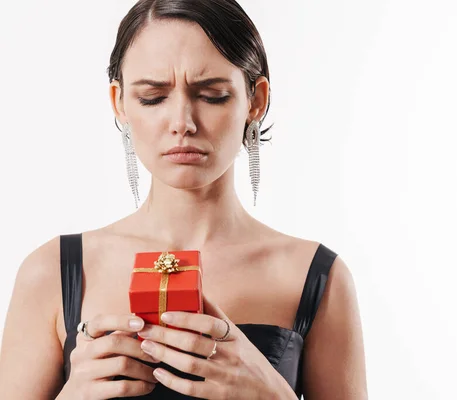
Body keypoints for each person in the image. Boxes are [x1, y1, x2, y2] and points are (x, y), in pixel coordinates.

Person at [0, 0, 367, 399]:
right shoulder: (52, 273)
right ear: (119, 102)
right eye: (153, 97)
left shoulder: (317, 277)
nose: (182, 124)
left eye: (212, 95)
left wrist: (273, 395)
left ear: (255, 100)